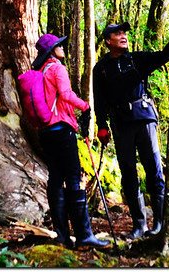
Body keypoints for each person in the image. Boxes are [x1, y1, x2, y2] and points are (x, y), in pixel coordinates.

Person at [92, 22, 169, 239]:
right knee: (128, 173)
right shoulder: (100, 68)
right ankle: (139, 225)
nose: (123, 36)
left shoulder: (137, 59)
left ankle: (158, 223)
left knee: (153, 168)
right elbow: (100, 100)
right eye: (117, 33)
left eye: (124, 33)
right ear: (107, 41)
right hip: (120, 124)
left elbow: (163, 56)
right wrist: (101, 126)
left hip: (144, 118)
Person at [32, 33, 109, 249]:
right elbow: (65, 94)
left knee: (55, 179)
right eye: (59, 45)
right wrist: (84, 106)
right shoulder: (56, 68)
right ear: (51, 50)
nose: (63, 48)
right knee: (74, 177)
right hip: (62, 130)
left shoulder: (40, 70)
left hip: (46, 132)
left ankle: (62, 235)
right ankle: (84, 235)